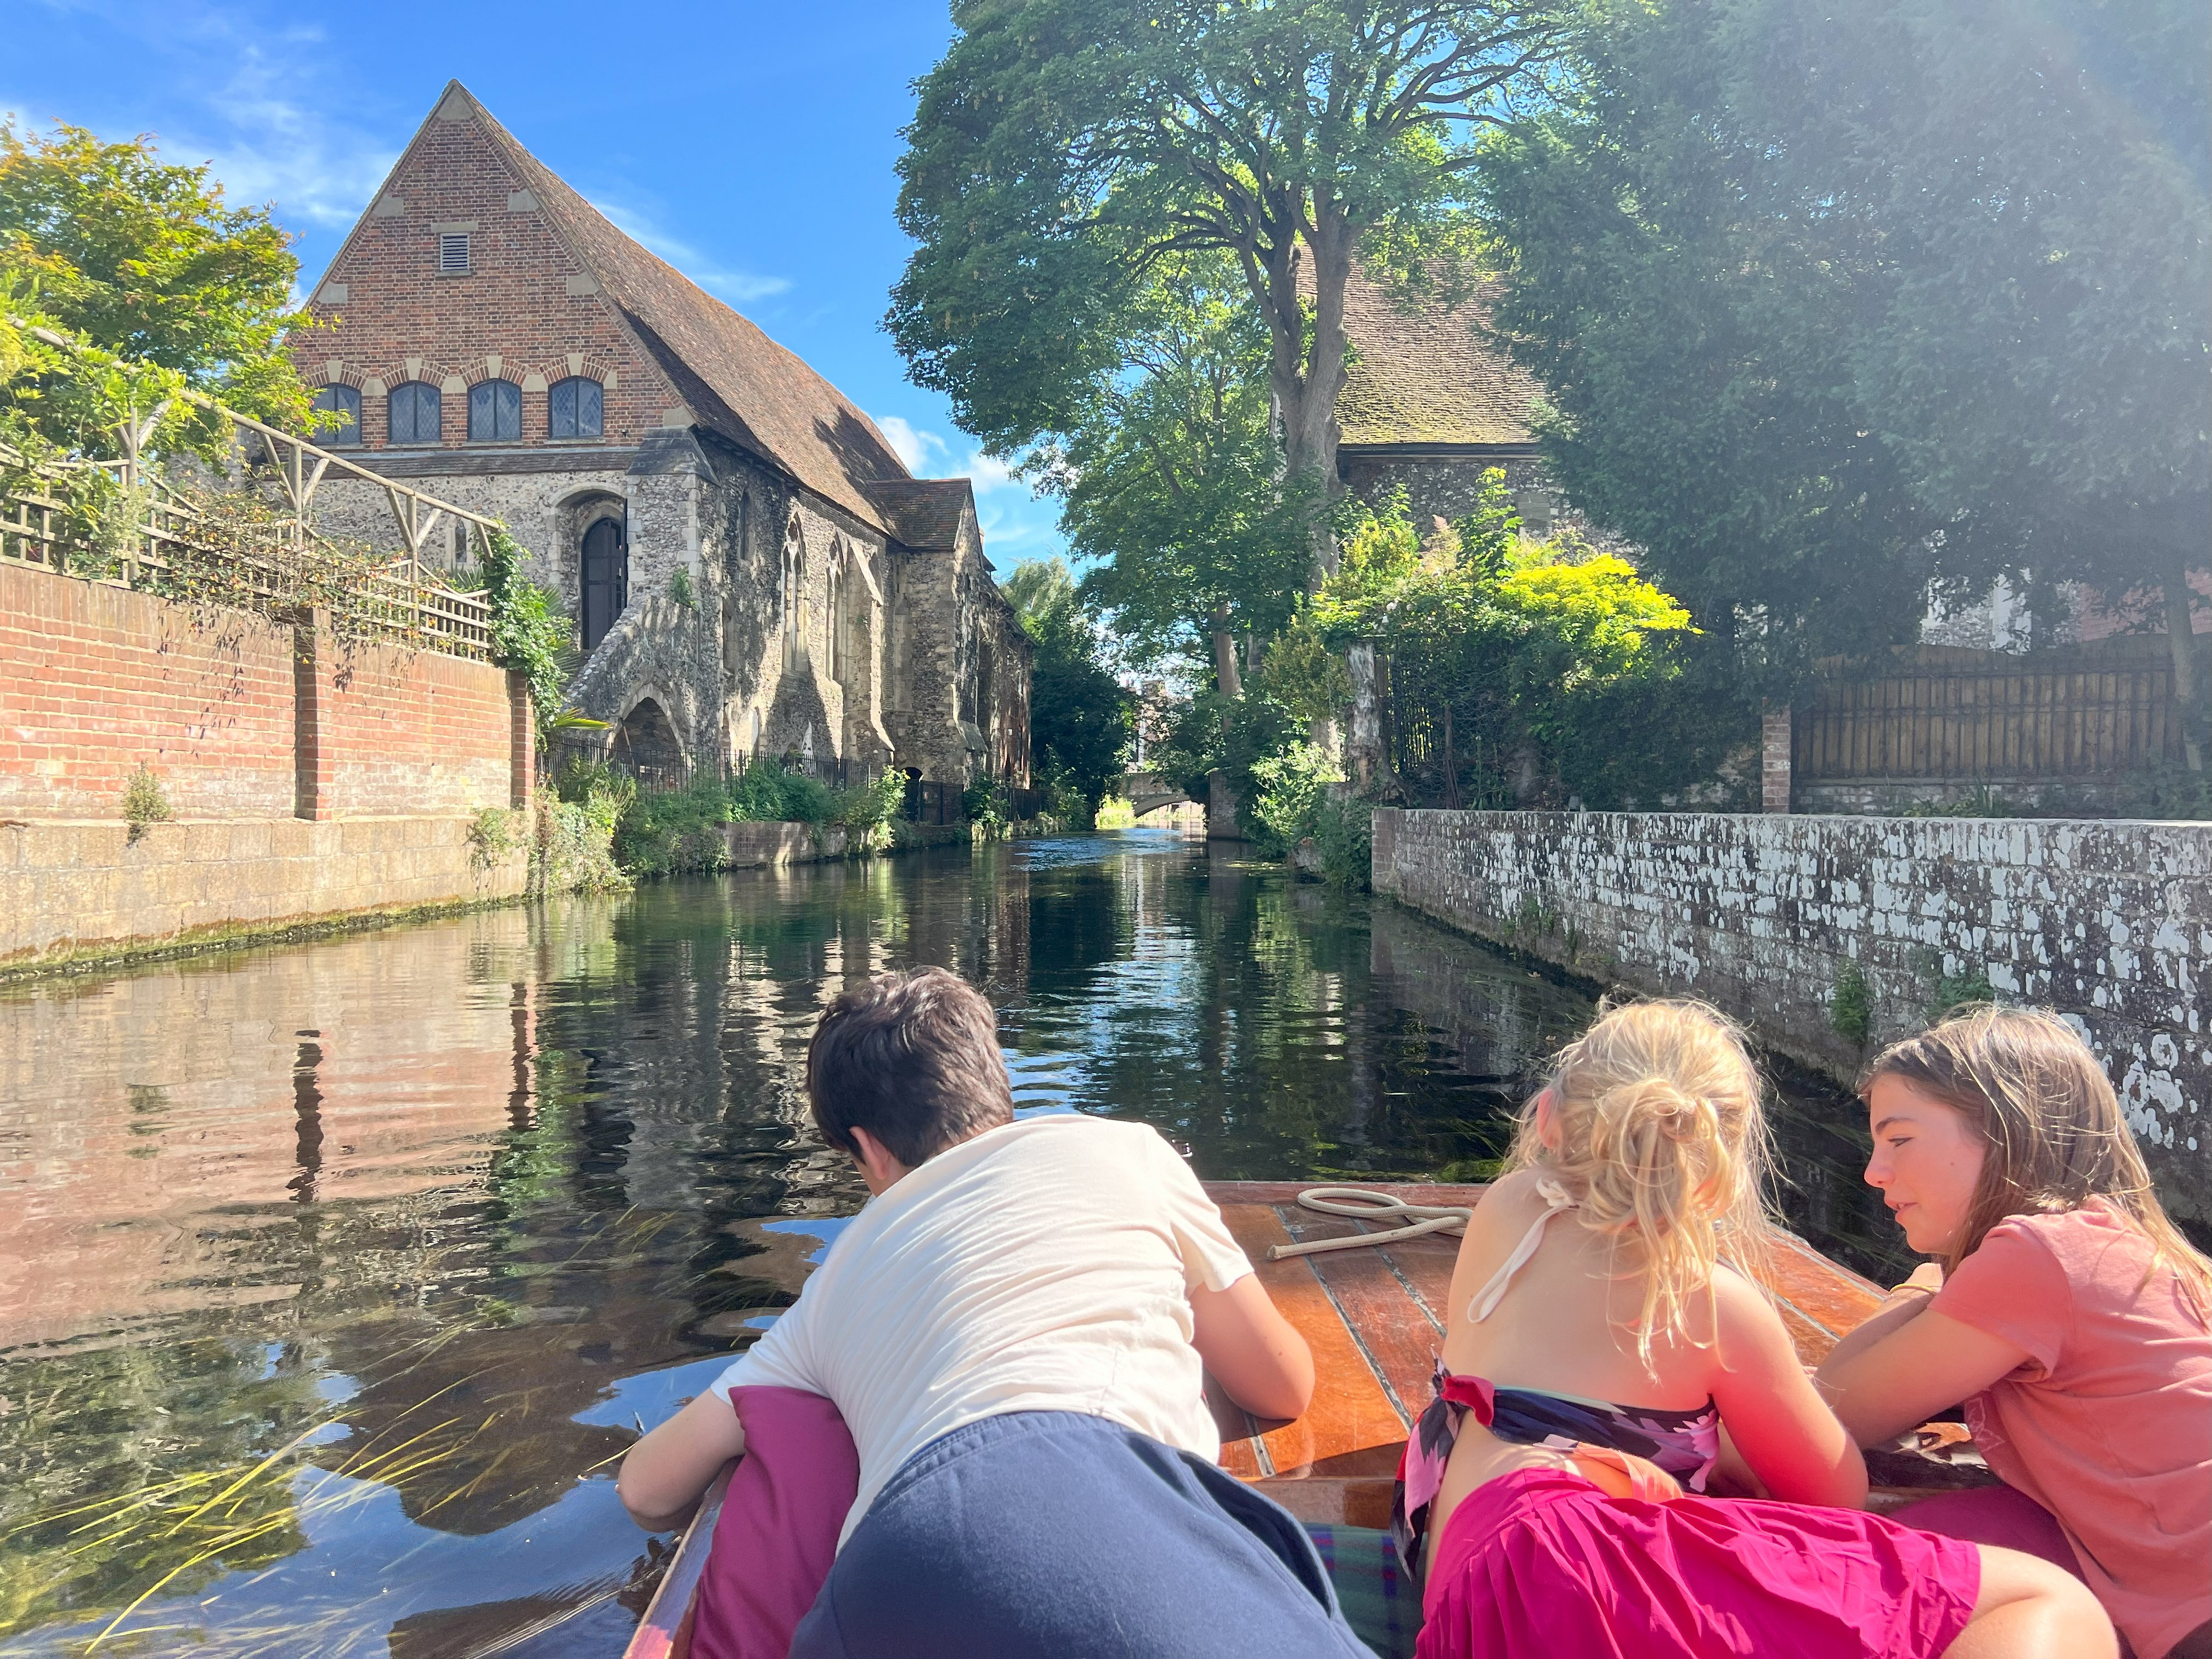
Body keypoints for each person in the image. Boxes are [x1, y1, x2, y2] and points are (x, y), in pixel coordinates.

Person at [617, 966, 1374, 1659]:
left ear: (866, 1149)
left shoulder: (838, 1276)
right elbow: (1282, 1386)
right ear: (992, 1083)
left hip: (886, 1576)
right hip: (1098, 1504)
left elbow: (646, 1490)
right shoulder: (1126, 1153)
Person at [1402, 997, 2111, 1659]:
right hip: (1585, 1575)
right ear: (1716, 1174)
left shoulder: (1504, 1208)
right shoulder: (1710, 1303)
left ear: (1550, 1120)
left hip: (1467, 1582)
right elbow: (1834, 1492)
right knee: (2045, 1599)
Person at [1816, 1006, 2212, 1659]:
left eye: (1901, 1140)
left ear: (2003, 1135)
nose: (1873, 1172)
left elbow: (1831, 1411)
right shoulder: (2114, 1241)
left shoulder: (2036, 1258)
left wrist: (1926, 1284)